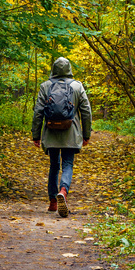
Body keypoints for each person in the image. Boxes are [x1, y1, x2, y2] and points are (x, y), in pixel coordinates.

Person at [32, 56, 92, 217]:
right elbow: (86, 112)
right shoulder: (77, 86)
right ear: (69, 69)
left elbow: (38, 112)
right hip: (70, 133)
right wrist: (86, 134)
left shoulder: (45, 86)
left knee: (54, 165)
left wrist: (36, 135)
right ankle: (63, 190)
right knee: (67, 164)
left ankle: (53, 201)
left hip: (51, 133)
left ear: (53, 69)